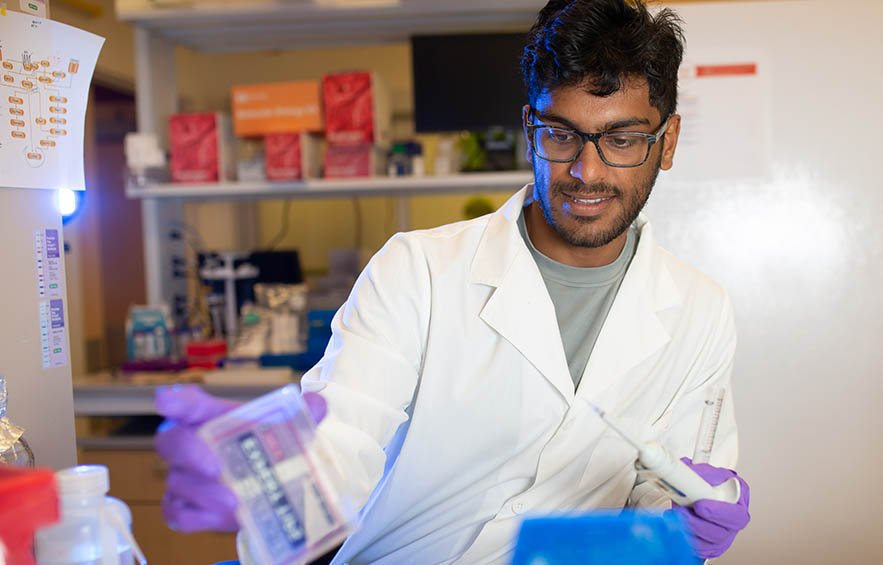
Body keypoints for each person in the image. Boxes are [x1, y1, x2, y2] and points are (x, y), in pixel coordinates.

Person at [155, 0, 751, 562]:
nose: (586, 170)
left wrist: (683, 513)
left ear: (666, 142)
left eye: (622, 139)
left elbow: (666, 484)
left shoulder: (700, 310)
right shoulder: (417, 271)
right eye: (561, 134)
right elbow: (345, 434)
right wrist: (270, 480)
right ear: (528, 128)